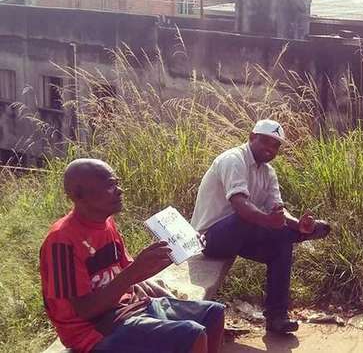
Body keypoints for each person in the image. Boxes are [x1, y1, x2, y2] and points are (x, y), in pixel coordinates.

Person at [40, 159, 225, 353]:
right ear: (78, 195)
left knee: (213, 313)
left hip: (131, 307)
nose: (120, 190)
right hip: (95, 330)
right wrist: (134, 272)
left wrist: (172, 253)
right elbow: (85, 310)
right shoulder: (62, 241)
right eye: (110, 185)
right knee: (191, 334)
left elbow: (131, 275)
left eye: (117, 183)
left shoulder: (106, 223)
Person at [191, 118, 331, 334]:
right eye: (266, 142)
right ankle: (298, 235)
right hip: (211, 239)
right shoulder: (233, 159)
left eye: (276, 145)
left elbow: (278, 210)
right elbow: (240, 205)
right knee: (248, 218)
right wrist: (270, 221)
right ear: (251, 137)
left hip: (242, 236)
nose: (271, 149)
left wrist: (297, 224)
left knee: (282, 245)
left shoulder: (268, 172)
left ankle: (277, 317)